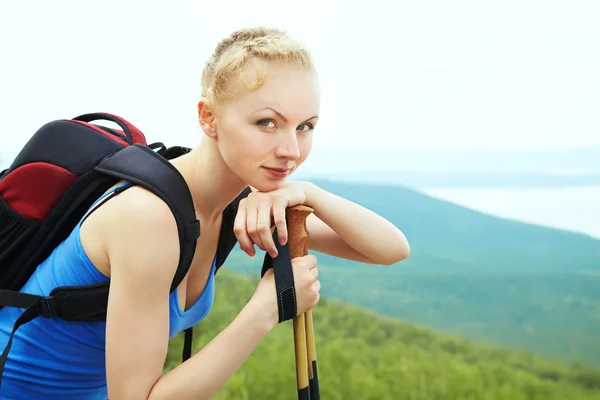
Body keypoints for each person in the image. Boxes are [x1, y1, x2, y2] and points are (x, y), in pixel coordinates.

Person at [0, 26, 410, 399]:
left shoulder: (236, 204)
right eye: (267, 122)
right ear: (208, 117)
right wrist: (268, 307)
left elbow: (390, 249)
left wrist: (308, 192)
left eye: (305, 126)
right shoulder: (149, 218)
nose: (291, 150)